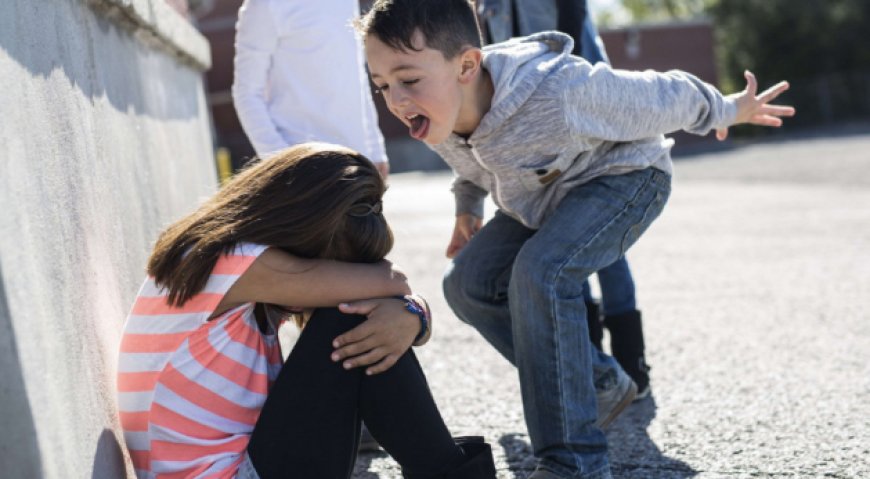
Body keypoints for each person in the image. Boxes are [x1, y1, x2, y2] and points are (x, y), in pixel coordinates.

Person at [357, 1, 794, 477]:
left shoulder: (558, 90)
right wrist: (467, 208)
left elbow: (663, 93)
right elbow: (471, 162)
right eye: (381, 86)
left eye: (408, 79)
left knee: (541, 272)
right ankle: (597, 381)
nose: (396, 100)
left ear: (466, 65)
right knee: (466, 283)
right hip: (542, 197)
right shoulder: (436, 111)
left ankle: (576, 461)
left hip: (625, 179)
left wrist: (728, 107)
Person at [116, 143, 496, 478]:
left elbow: (394, 292)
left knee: (364, 316)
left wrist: (413, 316)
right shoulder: (231, 262)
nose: (333, 282)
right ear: (301, 226)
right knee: (352, 315)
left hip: (243, 465)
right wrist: (409, 311)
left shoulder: (225, 262)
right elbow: (392, 282)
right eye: (334, 266)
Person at [476, 0, 652, 399]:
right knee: (564, 236)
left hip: (581, 108)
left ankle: (631, 361)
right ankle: (594, 365)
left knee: (605, 246)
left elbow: (576, 41)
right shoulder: (486, 5)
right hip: (532, 130)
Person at [232, 0, 390, 177]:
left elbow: (356, 77)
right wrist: (282, 163)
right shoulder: (265, 5)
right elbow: (246, 93)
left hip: (357, 160)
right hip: (304, 170)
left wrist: (375, 149)